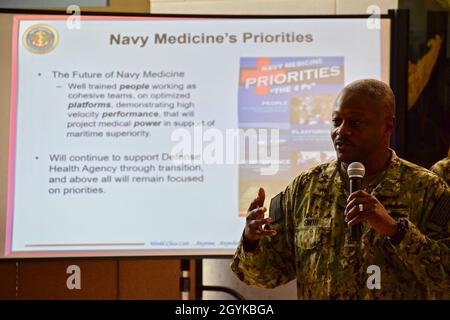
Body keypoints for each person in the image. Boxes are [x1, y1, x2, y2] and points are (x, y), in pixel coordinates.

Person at [231, 79, 449, 299]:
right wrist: (251, 241)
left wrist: (396, 231)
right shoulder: (303, 190)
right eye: (336, 121)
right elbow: (265, 276)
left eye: (355, 122)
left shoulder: (427, 190)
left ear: (388, 126)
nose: (341, 132)